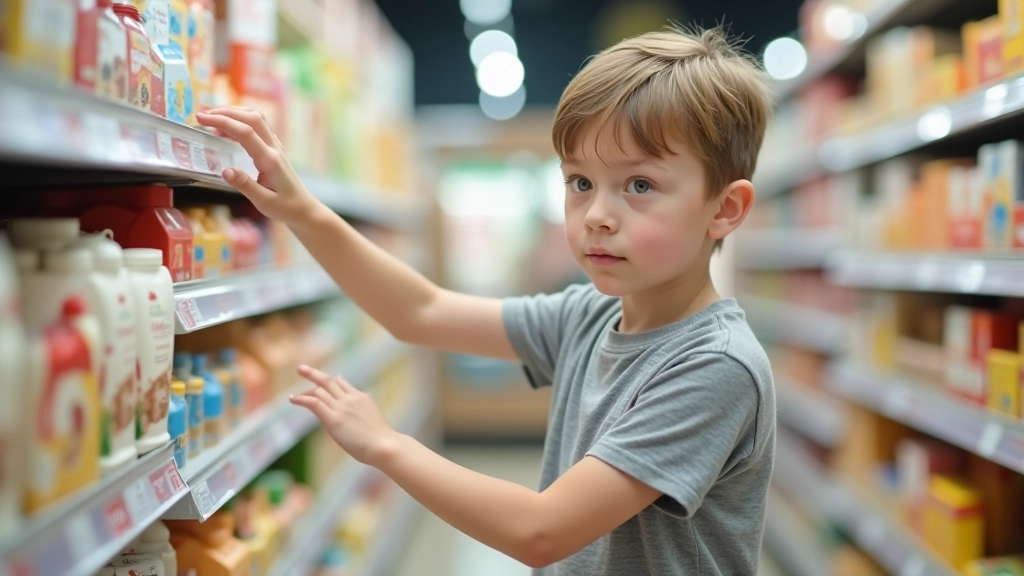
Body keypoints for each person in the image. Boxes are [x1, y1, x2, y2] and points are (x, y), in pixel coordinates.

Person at [198, 24, 776, 576]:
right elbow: (419, 311)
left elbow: (541, 530)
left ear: (724, 209)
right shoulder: (591, 315)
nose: (596, 216)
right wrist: (301, 209)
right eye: (580, 182)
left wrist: (386, 445)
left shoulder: (712, 364)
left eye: (640, 186)